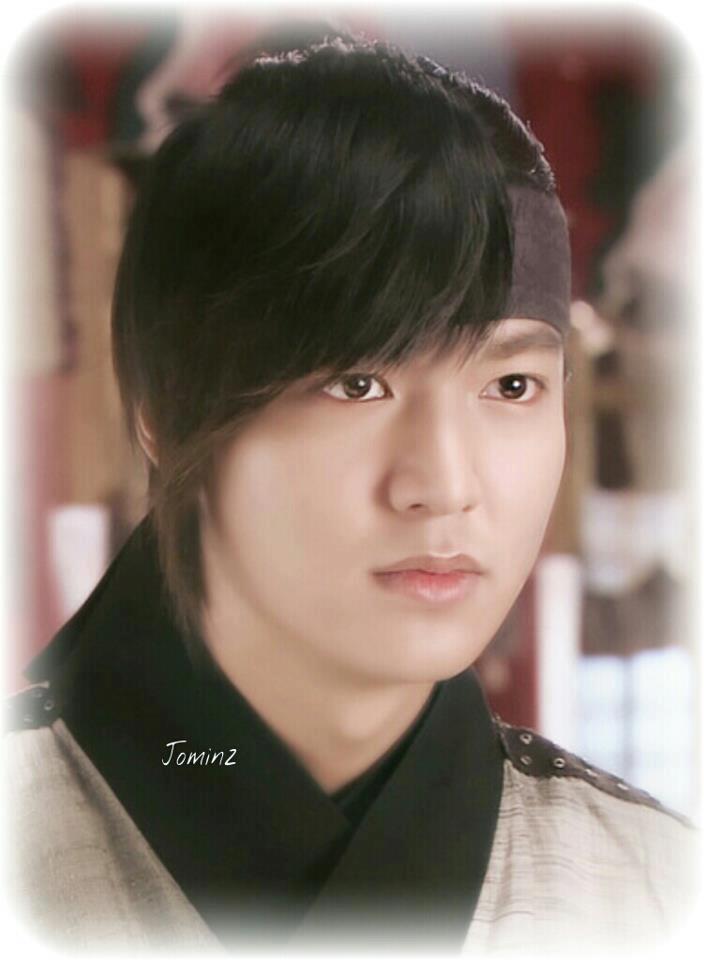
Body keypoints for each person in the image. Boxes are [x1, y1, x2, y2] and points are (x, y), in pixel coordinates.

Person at [6, 32, 695, 955]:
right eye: (356, 383)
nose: (445, 486)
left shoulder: (651, 882)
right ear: (165, 412)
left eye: (511, 385)